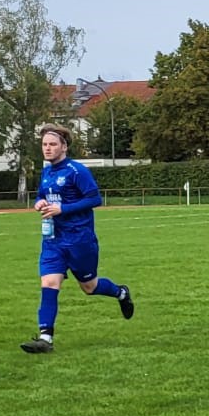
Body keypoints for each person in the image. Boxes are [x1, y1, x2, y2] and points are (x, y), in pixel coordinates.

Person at [21, 125, 132, 354]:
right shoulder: (47, 171)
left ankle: (121, 293)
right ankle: (45, 338)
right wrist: (39, 203)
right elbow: (43, 194)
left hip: (80, 239)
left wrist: (64, 209)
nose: (48, 149)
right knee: (49, 284)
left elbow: (94, 199)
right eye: (44, 145)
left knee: (89, 287)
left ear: (64, 146)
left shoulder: (76, 171)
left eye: (52, 144)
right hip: (53, 239)